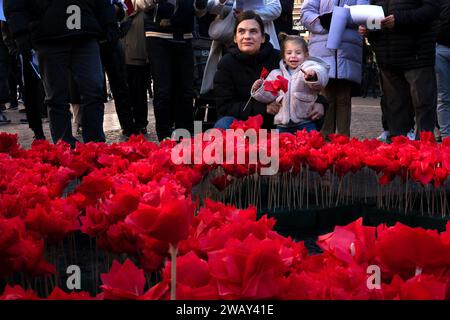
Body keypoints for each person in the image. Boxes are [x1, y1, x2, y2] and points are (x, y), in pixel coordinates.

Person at [4, 0, 118, 147]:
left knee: (94, 91)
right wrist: (20, 32)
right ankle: (64, 146)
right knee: (56, 97)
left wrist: (109, 22)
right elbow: (13, 4)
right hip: (49, 35)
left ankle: (95, 144)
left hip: (85, 32)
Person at [360, 0, 440, 140]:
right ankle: (400, 150)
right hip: (388, 58)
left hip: (417, 55)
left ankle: (425, 151)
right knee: (395, 108)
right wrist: (368, 28)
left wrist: (400, 19)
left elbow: (432, 9)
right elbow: (372, 14)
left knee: (423, 104)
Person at [142, 0, 207, 141]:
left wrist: (201, 4)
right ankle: (164, 137)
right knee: (163, 90)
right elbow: (138, 4)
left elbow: (200, 13)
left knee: (186, 89)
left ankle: (184, 136)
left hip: (184, 36)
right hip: (157, 35)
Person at [301, 0, 368, 137]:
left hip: (347, 50)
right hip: (322, 49)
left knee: (344, 99)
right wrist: (321, 21)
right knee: (325, 97)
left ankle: (343, 142)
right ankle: (324, 141)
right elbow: (305, 13)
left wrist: (340, 18)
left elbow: (364, 13)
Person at [250, 33, 328, 133]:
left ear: (306, 55)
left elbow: (321, 73)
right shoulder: (276, 74)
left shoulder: (308, 67)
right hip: (282, 124)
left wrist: (313, 75)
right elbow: (269, 95)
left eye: (298, 53)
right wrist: (259, 88)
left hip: (305, 121)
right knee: (283, 148)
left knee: (308, 146)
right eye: (289, 53)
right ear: (283, 56)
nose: (293, 56)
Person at [199, 0, 282, 95]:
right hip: (229, 44)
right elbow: (210, 8)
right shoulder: (226, 62)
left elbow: (276, 9)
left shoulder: (274, 56)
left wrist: (248, 15)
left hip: (260, 47)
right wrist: (221, 2)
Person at [436, 0, 450, 139]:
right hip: (440, 47)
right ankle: (446, 135)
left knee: (443, 96)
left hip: (440, 47)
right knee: (443, 95)